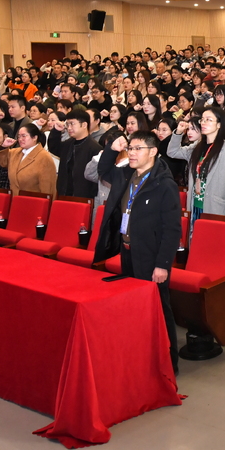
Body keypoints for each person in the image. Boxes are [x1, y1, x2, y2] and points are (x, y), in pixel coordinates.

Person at [93, 131, 181, 375]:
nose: (131, 153)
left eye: (137, 148)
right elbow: (103, 170)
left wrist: (163, 264)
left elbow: (172, 229)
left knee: (159, 310)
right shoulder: (126, 175)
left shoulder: (164, 184)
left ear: (153, 152)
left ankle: (169, 363)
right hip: (128, 250)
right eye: (130, 148)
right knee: (134, 307)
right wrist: (111, 149)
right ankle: (141, 356)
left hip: (151, 256)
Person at [168, 106, 225, 222]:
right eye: (202, 119)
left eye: (209, 120)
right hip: (194, 204)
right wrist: (178, 132)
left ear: (219, 124)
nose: (203, 123)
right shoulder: (196, 147)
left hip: (214, 209)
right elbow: (172, 152)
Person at [46, 108, 102, 198]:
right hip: (64, 193)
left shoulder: (95, 148)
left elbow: (95, 178)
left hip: (83, 197)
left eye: (72, 124)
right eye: (67, 124)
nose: (69, 128)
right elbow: (54, 148)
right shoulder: (68, 143)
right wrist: (56, 131)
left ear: (84, 125)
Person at [0, 123, 58, 196]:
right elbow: (2, 162)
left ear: (34, 137)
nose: (20, 139)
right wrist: (3, 146)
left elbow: (48, 188)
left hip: (33, 200)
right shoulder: (15, 152)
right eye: (19, 136)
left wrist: (45, 202)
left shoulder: (44, 157)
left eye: (23, 136)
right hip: (14, 199)